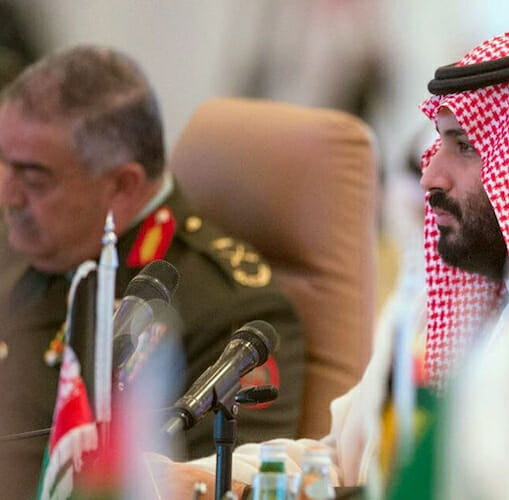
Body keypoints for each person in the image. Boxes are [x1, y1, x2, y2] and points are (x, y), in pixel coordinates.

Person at [160, 26, 509, 498]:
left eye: (465, 146)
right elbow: (349, 465)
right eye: (440, 142)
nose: (430, 174)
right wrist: (199, 481)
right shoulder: (456, 301)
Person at [0, 45, 304, 497]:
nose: (7, 194)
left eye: (33, 178)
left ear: (123, 185)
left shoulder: (228, 309)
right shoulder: (33, 241)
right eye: (3, 162)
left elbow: (226, 483)